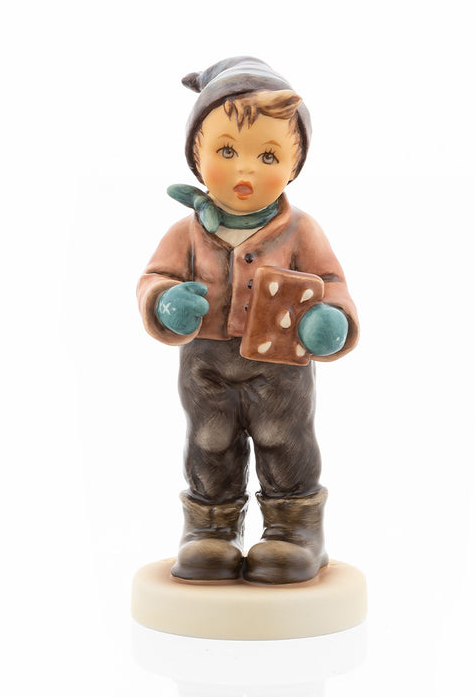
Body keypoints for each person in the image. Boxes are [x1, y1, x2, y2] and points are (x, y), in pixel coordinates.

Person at [137, 57, 359, 584]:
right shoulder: (185, 234)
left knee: (285, 439)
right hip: (206, 363)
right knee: (209, 441)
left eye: (268, 155)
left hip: (279, 366)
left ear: (295, 164)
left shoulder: (302, 231)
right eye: (226, 151)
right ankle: (211, 528)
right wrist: (165, 301)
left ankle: (294, 530)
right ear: (196, 155)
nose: (245, 170)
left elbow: (333, 282)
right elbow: (153, 277)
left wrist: (331, 319)